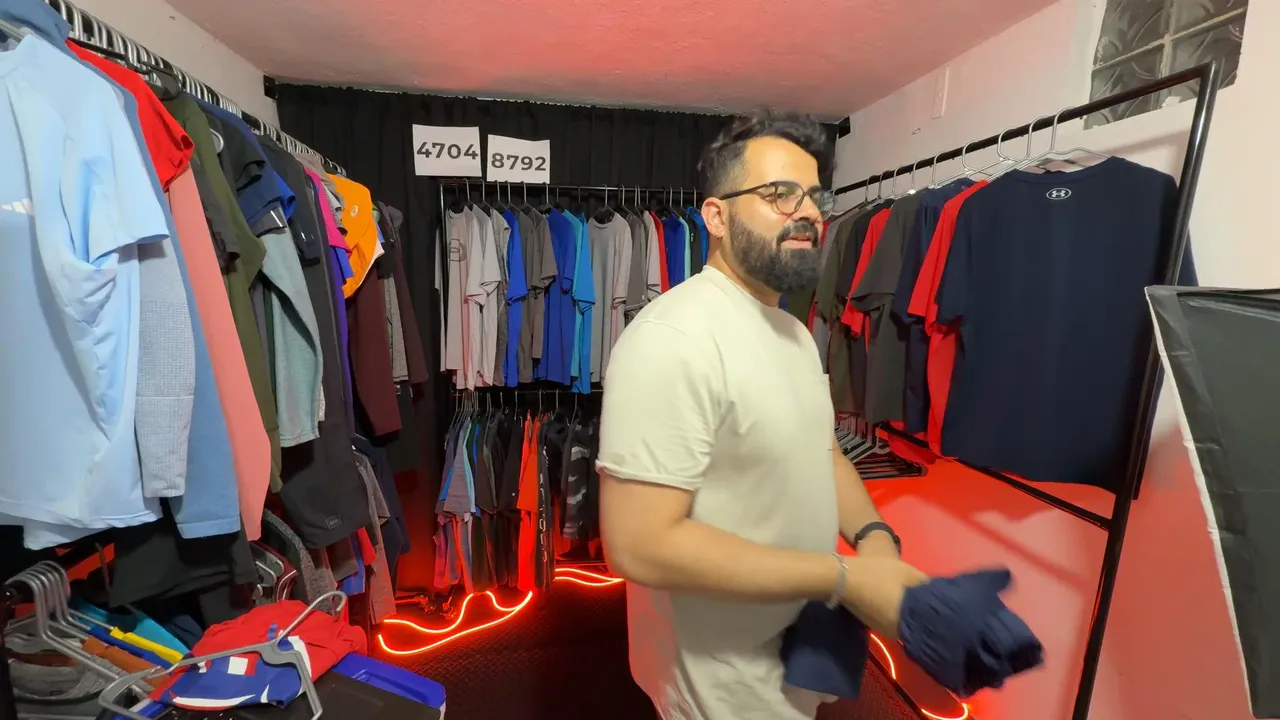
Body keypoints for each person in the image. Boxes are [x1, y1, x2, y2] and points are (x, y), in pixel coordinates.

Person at [597, 111, 930, 720]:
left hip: (794, 643)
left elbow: (821, 449)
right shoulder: (674, 338)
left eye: (814, 197)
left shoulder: (791, 332)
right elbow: (639, 544)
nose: (808, 213)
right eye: (779, 194)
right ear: (716, 216)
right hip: (718, 674)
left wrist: (874, 539)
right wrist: (844, 578)